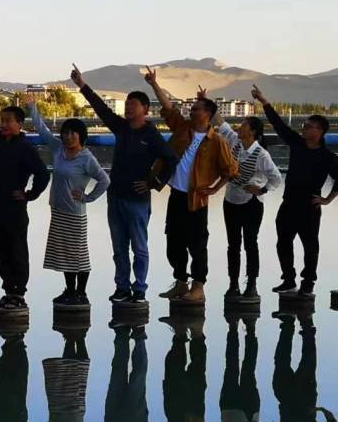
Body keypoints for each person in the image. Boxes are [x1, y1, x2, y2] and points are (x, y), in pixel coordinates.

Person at [70, 64, 176, 302]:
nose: (128, 108)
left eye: (133, 105)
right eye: (127, 104)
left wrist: (153, 183)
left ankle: (139, 288)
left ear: (145, 109)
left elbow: (170, 159)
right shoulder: (121, 127)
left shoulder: (151, 135)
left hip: (137, 201)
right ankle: (122, 287)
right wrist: (82, 85)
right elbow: (101, 108)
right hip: (115, 196)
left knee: (139, 247)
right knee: (119, 248)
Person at [145, 73, 239, 303]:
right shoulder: (182, 128)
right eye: (192, 108)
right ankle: (180, 283)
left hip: (197, 199)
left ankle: (198, 287)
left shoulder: (217, 141)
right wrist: (154, 84)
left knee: (197, 244)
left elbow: (231, 170)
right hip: (176, 196)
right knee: (173, 242)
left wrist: (215, 189)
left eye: (196, 109)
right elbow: (169, 108)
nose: (192, 111)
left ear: (207, 114)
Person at [253, 86, 338, 298]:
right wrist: (264, 102)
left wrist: (327, 199)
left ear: (319, 131)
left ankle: (308, 282)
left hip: (310, 206)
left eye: (308, 126)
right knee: (283, 242)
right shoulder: (298, 144)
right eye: (304, 125)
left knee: (310, 246)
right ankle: (288, 280)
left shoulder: (327, 157)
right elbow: (279, 125)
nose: (304, 128)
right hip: (289, 203)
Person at [25, 96, 110, 306]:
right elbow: (43, 130)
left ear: (81, 136)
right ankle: (70, 291)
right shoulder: (58, 149)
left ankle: (81, 293)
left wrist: (88, 198)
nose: (68, 136)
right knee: (64, 254)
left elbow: (104, 180)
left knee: (79, 254)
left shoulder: (86, 158)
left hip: (75, 213)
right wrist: (32, 107)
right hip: (58, 210)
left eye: (73, 133)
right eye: (66, 132)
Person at [0, 74, 50, 310]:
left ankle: (19, 293)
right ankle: (8, 290)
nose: (4, 124)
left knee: (17, 248)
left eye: (9, 121)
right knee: (0, 248)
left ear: (19, 124)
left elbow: (43, 174)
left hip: (15, 207)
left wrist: (29, 195)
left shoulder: (26, 147)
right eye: (3, 120)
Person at [213, 113, 282, 299]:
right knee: (233, 244)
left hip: (251, 204)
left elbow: (276, 177)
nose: (240, 127)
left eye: (244, 125)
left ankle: (251, 284)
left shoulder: (261, 154)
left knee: (250, 243)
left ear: (252, 131)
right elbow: (222, 124)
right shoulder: (235, 142)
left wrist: (262, 189)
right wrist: (210, 108)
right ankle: (233, 284)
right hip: (231, 200)